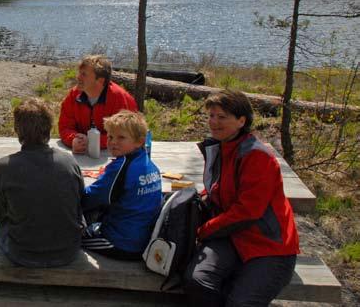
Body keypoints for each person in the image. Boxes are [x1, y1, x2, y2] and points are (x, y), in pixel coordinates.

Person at [184, 90, 299, 306]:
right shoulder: (222, 147)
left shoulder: (256, 155)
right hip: (231, 237)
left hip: (267, 245)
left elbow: (248, 211)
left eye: (222, 117)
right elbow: (219, 191)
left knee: (241, 302)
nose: (214, 122)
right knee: (198, 282)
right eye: (211, 116)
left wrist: (205, 229)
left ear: (241, 120)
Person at [0, 98, 84, 267]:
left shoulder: (4, 166)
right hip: (68, 251)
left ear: (17, 130)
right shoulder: (69, 162)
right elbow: (79, 205)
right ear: (49, 128)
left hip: (22, 254)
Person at [81, 110, 162, 259]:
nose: (113, 142)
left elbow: (89, 198)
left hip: (122, 243)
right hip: (145, 238)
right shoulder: (149, 163)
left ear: (140, 141)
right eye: (110, 136)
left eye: (121, 137)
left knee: (73, 238)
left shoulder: (121, 166)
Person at [59, 55, 137, 154]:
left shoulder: (119, 99)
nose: (78, 77)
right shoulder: (73, 95)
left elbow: (126, 136)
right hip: (83, 154)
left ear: (100, 80)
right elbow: (65, 127)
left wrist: (93, 142)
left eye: (84, 74)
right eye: (79, 73)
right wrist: (74, 139)